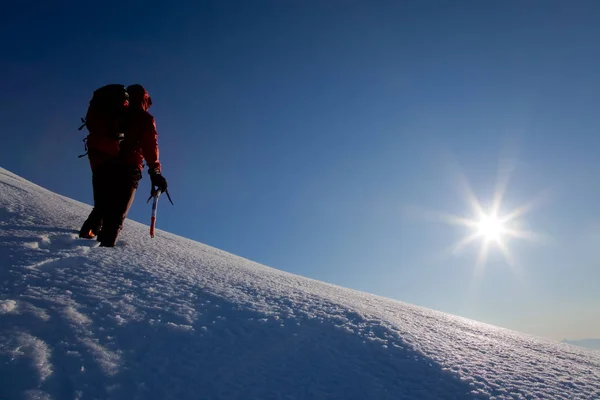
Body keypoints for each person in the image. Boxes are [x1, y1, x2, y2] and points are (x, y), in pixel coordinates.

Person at [78, 84, 168, 247]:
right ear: (144, 100)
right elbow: (150, 145)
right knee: (116, 214)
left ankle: (80, 241)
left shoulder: (114, 113)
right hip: (128, 166)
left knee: (101, 206)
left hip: (101, 163)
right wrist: (155, 171)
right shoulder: (144, 118)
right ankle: (99, 256)